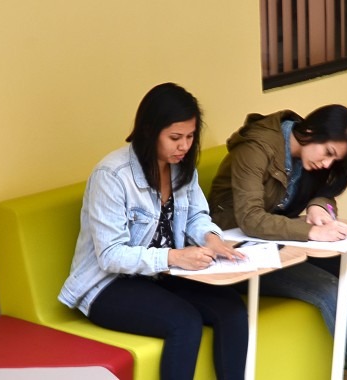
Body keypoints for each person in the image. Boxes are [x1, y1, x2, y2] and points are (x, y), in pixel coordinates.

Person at [58, 82, 248, 380]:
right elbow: (110, 255)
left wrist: (213, 239)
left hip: (161, 276)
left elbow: (197, 215)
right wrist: (174, 257)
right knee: (184, 322)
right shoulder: (111, 175)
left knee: (232, 309)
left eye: (189, 136)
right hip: (108, 285)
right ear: (149, 130)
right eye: (175, 137)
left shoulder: (181, 167)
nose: (184, 146)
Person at [209, 105, 347, 380]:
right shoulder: (255, 148)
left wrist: (319, 206)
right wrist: (309, 232)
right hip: (239, 253)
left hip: (281, 244)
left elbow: (325, 193)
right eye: (328, 154)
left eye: (334, 161)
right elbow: (250, 219)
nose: (326, 164)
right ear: (311, 131)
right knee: (328, 289)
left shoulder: (308, 153)